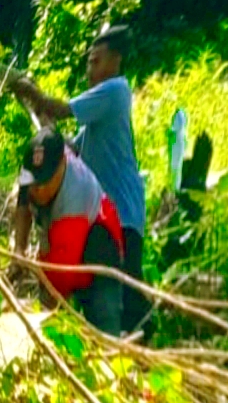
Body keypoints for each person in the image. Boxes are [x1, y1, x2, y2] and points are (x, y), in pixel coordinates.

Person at [13, 25, 148, 336]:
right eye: (89, 62)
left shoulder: (115, 91)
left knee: (124, 290)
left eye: (95, 61)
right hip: (103, 214)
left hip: (122, 210)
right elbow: (68, 148)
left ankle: (141, 344)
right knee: (116, 288)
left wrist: (32, 92)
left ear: (115, 60)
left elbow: (60, 110)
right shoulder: (99, 117)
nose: (90, 70)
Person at [17, 127, 124, 336]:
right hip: (64, 246)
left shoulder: (75, 196)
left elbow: (58, 281)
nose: (36, 190)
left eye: (43, 183)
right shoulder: (33, 170)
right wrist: (19, 250)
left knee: (102, 324)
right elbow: (22, 205)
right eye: (33, 183)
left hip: (99, 251)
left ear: (61, 167)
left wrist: (37, 326)